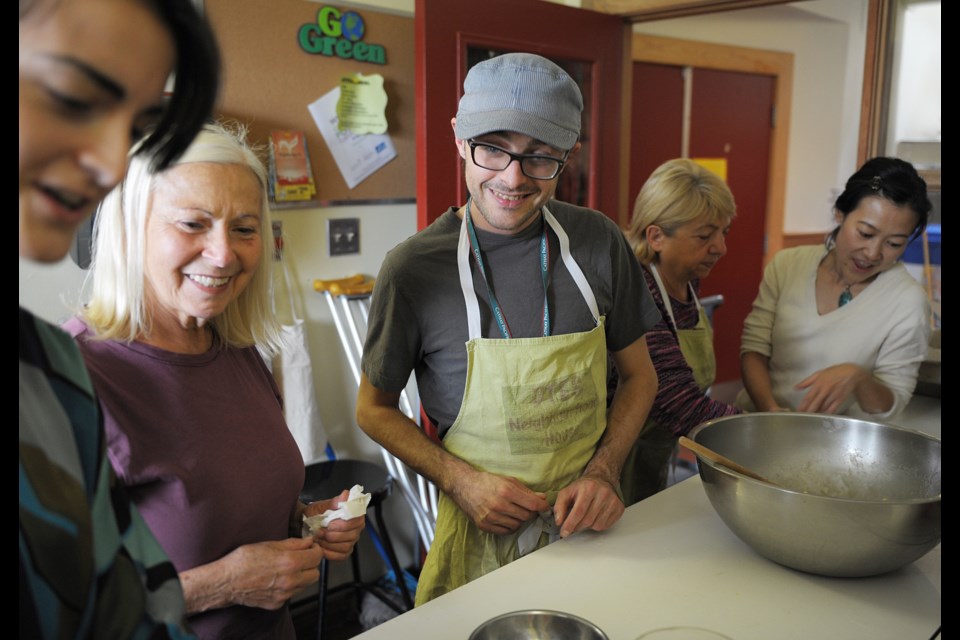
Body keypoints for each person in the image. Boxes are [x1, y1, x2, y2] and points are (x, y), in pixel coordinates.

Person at [356, 52, 660, 605]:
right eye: (492, 149)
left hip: (589, 526)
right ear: (458, 138)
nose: (513, 178)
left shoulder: (599, 242)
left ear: (569, 156)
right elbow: (372, 411)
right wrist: (461, 481)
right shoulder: (413, 271)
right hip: (478, 538)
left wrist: (605, 470)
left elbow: (641, 377)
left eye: (541, 157)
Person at [64, 122, 364, 639]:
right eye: (192, 224)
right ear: (130, 230)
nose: (224, 254)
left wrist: (301, 521)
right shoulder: (71, 379)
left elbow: (220, 506)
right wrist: (224, 584)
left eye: (244, 229)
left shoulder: (234, 347)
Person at [19, 0, 219, 637]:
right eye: (74, 97)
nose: (110, 165)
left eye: (135, 126)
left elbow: (130, 610)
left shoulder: (49, 373)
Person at [737, 157, 932, 419]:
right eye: (865, 233)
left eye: (894, 244)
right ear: (840, 214)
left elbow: (892, 403)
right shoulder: (788, 265)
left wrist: (859, 378)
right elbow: (754, 349)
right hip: (758, 421)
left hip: (838, 446)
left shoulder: (907, 301)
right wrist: (772, 413)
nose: (873, 253)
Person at [616, 159, 742, 505]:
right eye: (705, 236)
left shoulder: (685, 281)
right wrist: (759, 431)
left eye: (723, 232)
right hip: (612, 469)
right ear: (656, 236)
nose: (720, 247)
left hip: (652, 463)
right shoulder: (636, 290)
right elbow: (679, 403)